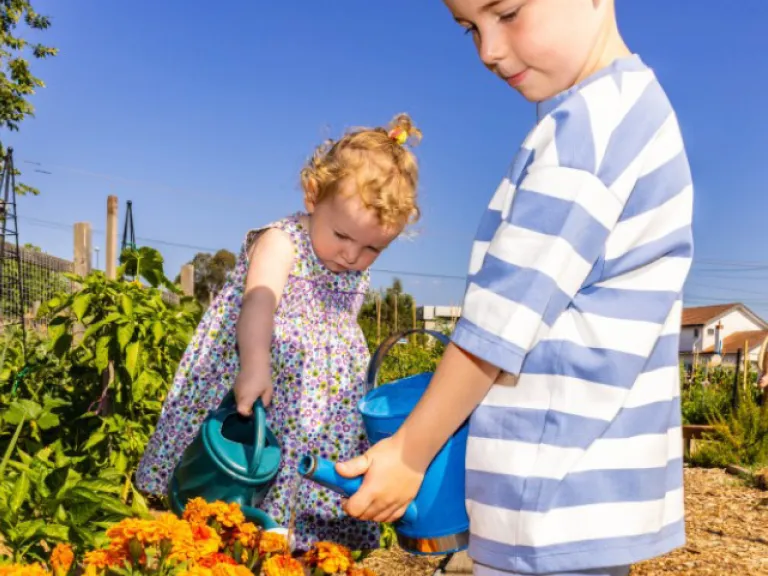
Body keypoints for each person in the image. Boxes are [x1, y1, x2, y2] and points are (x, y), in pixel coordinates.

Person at [337, 1, 693, 575]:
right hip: (577, 493)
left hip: (550, 491)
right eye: (470, 28)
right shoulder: (621, 112)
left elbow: (498, 323)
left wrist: (409, 452)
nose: (488, 50)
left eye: (506, 12)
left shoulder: (593, 130)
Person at [135, 113, 423, 552]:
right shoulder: (282, 241)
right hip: (265, 374)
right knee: (241, 477)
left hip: (321, 405)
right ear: (313, 196)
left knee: (305, 486)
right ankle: (231, 534)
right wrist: (255, 362)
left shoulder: (347, 260)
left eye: (372, 249)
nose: (352, 256)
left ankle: (295, 548)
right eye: (343, 235)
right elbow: (259, 300)